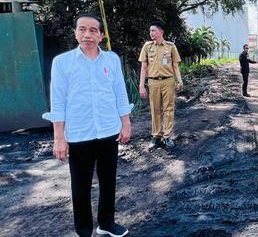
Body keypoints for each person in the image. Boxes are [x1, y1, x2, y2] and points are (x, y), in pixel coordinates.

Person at [42, 14, 132, 237]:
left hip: (108, 131)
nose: (87, 34)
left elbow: (120, 93)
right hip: (79, 134)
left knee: (108, 181)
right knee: (80, 187)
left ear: (101, 35)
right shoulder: (62, 62)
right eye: (82, 29)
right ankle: (84, 230)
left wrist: (126, 124)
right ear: (75, 33)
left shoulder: (111, 60)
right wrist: (59, 138)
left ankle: (106, 223)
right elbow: (58, 101)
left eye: (93, 30)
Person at [138, 21, 183, 149]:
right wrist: (141, 85)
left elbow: (175, 65)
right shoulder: (147, 47)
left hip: (168, 81)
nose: (151, 33)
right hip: (153, 82)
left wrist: (180, 80)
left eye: (154, 30)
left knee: (168, 109)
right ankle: (156, 136)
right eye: (150, 31)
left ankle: (167, 136)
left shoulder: (170, 46)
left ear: (161, 32)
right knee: (155, 109)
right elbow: (143, 67)